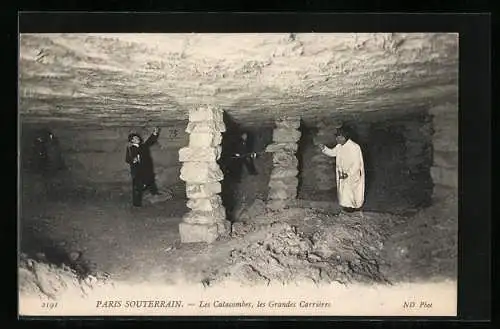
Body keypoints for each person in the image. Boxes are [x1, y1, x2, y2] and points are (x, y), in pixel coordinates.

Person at [319, 127, 365, 213]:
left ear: (344, 137)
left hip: (352, 174)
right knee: (343, 191)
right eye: (336, 137)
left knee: (350, 191)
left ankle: (351, 208)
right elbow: (333, 153)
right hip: (342, 173)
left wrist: (348, 173)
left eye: (338, 137)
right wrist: (324, 149)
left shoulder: (354, 147)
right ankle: (346, 207)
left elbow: (357, 163)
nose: (336, 139)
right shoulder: (339, 146)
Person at [125, 127, 161, 207]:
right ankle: (137, 204)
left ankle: (155, 194)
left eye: (137, 137)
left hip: (146, 168)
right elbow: (127, 159)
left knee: (150, 180)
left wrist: (154, 133)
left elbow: (150, 141)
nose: (137, 138)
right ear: (132, 140)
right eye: (135, 138)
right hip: (137, 170)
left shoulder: (143, 146)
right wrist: (132, 160)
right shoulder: (130, 149)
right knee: (137, 186)